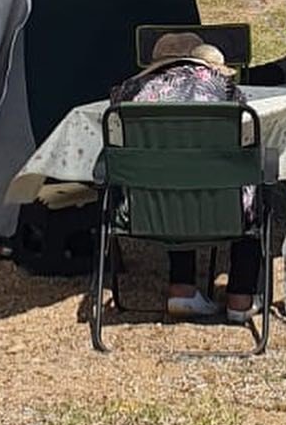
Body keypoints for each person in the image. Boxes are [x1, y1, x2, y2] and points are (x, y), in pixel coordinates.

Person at [111, 32, 262, 323]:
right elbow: (246, 139)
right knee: (250, 180)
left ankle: (181, 290)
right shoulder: (225, 89)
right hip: (220, 206)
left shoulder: (128, 91)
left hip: (150, 207)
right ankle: (240, 298)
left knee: (172, 180)